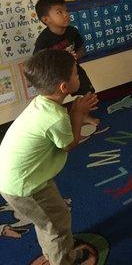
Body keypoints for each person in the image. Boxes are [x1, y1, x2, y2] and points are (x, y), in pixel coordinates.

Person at [0, 49, 99, 265]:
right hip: (24, 186)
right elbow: (69, 145)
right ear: (64, 87)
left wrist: (75, 113)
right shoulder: (55, 118)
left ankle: (53, 254)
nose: (78, 76)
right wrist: (77, 113)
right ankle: (63, 261)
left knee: (48, 220)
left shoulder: (42, 103)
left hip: (24, 178)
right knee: (56, 224)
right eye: (75, 74)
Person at [33, 0, 99, 125]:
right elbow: (39, 60)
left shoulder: (72, 31)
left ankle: (84, 116)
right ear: (46, 19)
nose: (66, 15)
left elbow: (82, 49)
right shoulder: (44, 39)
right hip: (55, 77)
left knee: (88, 93)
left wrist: (76, 56)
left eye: (66, 11)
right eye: (59, 12)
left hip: (74, 69)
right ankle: (58, 122)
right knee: (54, 100)